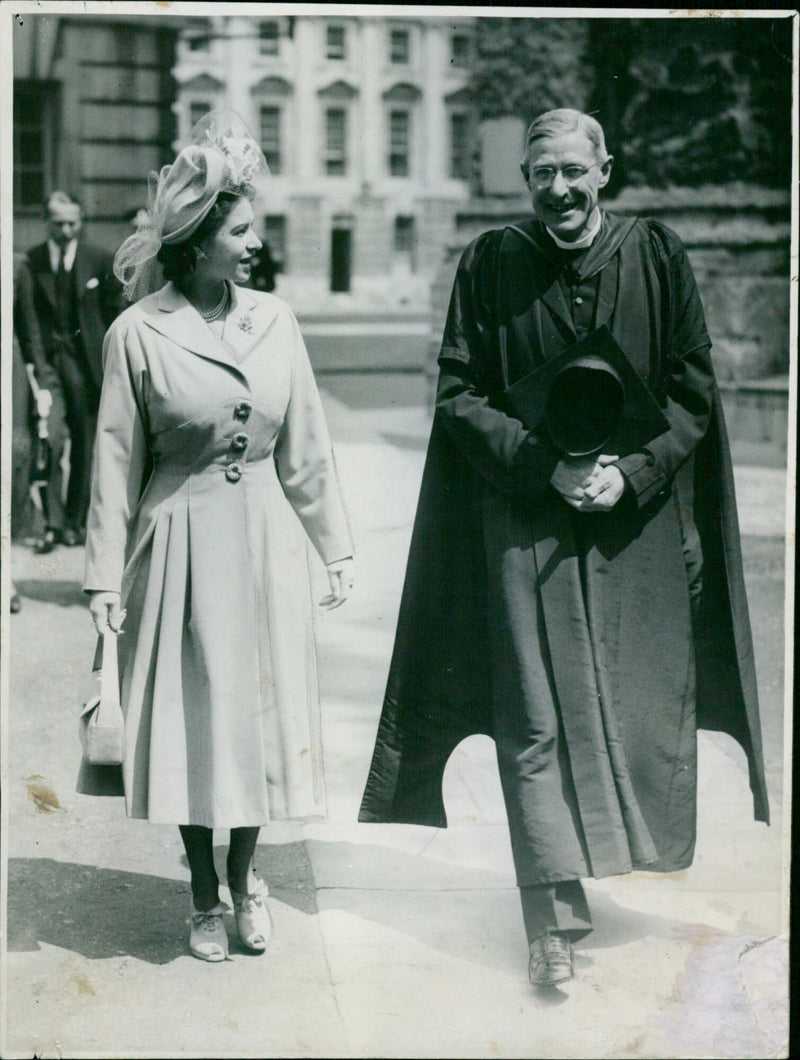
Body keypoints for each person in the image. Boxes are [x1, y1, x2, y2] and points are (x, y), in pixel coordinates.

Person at [358, 109, 769, 988]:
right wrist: (541, 466)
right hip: (525, 523)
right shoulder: (491, 263)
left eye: (575, 171)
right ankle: (549, 918)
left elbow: (696, 393)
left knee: (632, 706)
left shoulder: (656, 257)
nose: (559, 189)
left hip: (634, 523)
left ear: (605, 171)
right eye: (541, 172)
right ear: (526, 179)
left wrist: (635, 471)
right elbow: (459, 393)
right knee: (533, 718)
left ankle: (608, 866)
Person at [82, 112, 354, 963]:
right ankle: (204, 893)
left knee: (260, 725)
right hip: (178, 548)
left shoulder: (277, 322)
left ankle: (249, 879)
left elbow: (304, 443)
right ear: (197, 242)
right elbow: (115, 462)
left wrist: (334, 546)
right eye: (240, 232)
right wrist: (101, 582)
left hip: (265, 545)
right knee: (195, 726)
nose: (254, 246)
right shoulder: (138, 334)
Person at [14, 191, 123, 552]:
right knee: (51, 440)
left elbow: (115, 318)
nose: (65, 229)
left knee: (85, 444)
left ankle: (75, 522)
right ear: (48, 221)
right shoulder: (33, 261)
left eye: (72, 222)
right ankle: (53, 523)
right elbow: (27, 319)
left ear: (81, 221)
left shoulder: (100, 260)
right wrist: (35, 364)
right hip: (49, 367)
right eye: (58, 223)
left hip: (87, 366)